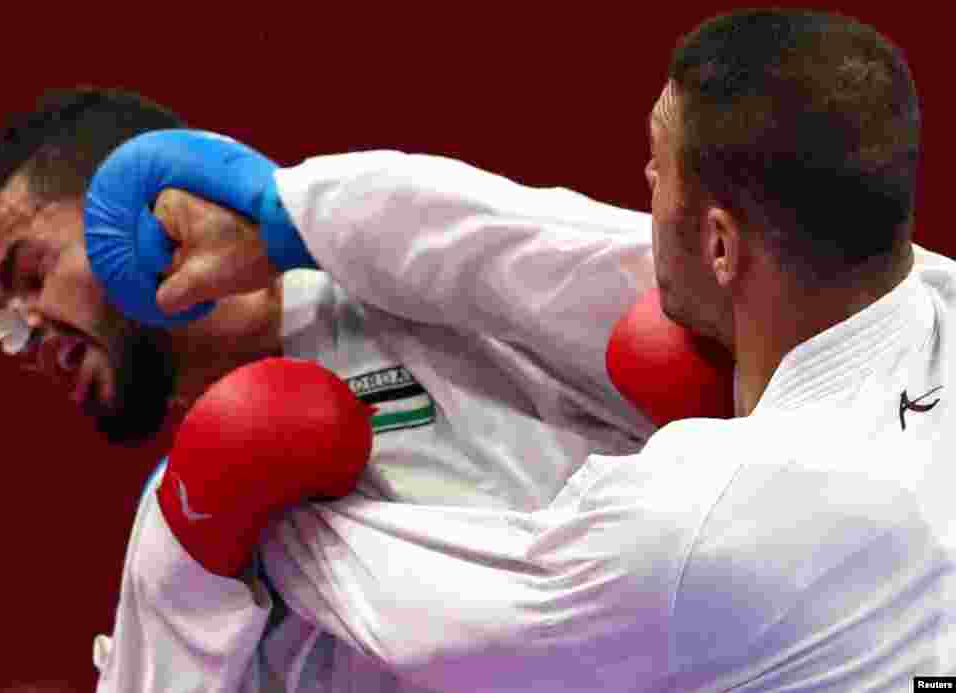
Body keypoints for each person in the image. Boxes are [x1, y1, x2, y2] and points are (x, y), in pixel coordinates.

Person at [70, 7, 955, 691]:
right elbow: (548, 245)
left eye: (657, 165)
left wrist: (199, 518)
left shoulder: (702, 519)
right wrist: (288, 211)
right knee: (657, 343)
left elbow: (428, 612)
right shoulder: (930, 296)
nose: (641, 188)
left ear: (721, 244)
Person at [0, 90, 669, 690]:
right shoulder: (186, 541)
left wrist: (291, 215)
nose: (23, 338)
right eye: (5, 317)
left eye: (31, 274)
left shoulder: (406, 276)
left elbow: (659, 281)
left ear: (138, 206)